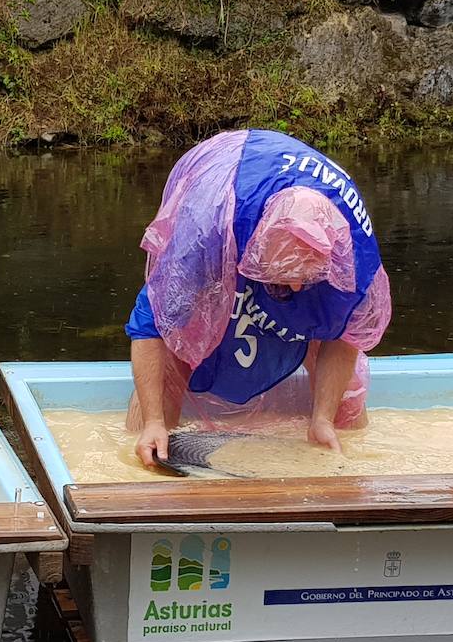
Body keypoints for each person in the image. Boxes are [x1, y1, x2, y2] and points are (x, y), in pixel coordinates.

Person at [125, 129, 392, 467]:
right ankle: (146, 435)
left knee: (343, 388)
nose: (294, 290)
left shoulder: (355, 258)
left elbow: (346, 335)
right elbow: (152, 326)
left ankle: (331, 432)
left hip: (297, 220)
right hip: (225, 176)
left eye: (303, 278)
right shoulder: (208, 232)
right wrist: (152, 422)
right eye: (285, 276)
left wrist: (322, 418)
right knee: (179, 343)